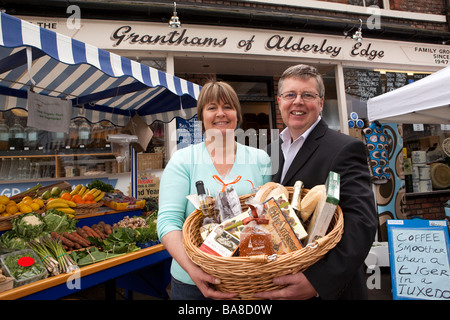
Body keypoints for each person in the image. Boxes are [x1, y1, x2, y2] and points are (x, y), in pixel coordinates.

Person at [255, 64, 378, 300]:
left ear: (321, 102)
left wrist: (318, 281)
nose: (298, 101)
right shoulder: (269, 152)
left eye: (307, 95)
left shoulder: (344, 148)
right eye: (290, 95)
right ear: (279, 101)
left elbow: (362, 222)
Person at [157, 81, 272, 300]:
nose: (221, 113)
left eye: (227, 106)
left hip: (249, 279)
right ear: (202, 116)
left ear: (237, 114)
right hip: (192, 284)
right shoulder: (183, 160)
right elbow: (168, 222)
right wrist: (194, 271)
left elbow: (267, 216)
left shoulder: (260, 159)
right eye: (212, 107)